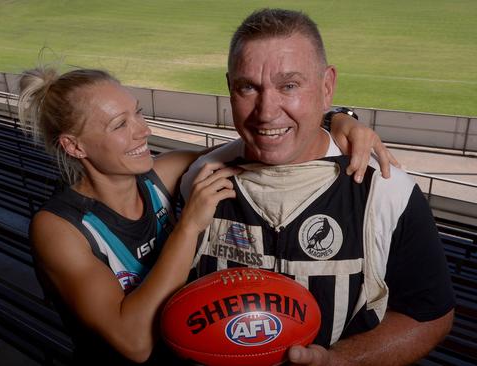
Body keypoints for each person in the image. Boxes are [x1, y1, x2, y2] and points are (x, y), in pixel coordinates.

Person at [17, 66, 396, 364]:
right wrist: (190, 225)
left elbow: (256, 145)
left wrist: (335, 120)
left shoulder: (159, 176)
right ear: (74, 145)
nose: (143, 131)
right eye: (120, 125)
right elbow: (133, 343)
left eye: (138, 114)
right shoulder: (59, 228)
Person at [180, 8, 455, 366]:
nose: (266, 111)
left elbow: (430, 314)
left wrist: (343, 360)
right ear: (229, 89)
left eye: (289, 86)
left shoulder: (387, 192)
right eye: (248, 87)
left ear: (327, 87)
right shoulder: (199, 178)